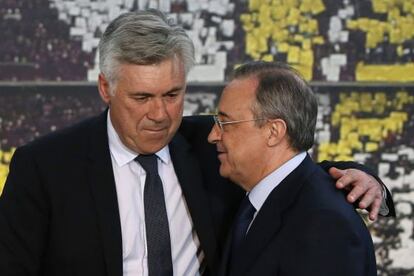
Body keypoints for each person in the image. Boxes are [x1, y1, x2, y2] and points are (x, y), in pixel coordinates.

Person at [0, 10, 392, 276]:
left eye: (172, 94)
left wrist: (365, 179)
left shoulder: (213, 145)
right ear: (106, 88)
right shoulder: (44, 168)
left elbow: (285, 169)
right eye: (141, 98)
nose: (159, 114)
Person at [208, 61, 377, 276]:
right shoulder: (260, 198)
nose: (212, 135)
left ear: (273, 131)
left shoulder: (325, 226)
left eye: (225, 123)